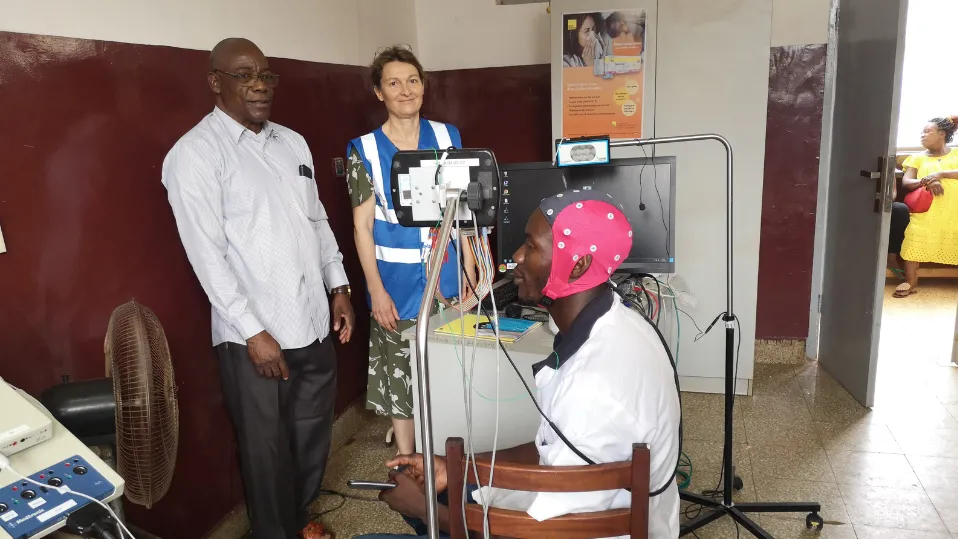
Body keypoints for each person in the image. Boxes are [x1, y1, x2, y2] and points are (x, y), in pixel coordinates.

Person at [359, 190, 682, 539]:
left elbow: (546, 534)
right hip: (578, 503)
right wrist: (457, 468)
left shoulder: (594, 387)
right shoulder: (621, 320)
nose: (516, 256)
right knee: (436, 489)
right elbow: (555, 445)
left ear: (578, 265)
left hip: (578, 529)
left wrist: (425, 510)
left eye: (531, 246)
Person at [162, 38, 354, 539]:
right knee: (265, 449)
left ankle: (297, 518)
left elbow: (317, 220)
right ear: (215, 82)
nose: (259, 86)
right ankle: (276, 532)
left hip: (312, 320)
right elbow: (208, 256)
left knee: (311, 435)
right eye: (245, 75)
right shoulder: (195, 156)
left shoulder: (292, 142)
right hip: (257, 336)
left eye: (266, 76)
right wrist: (251, 331)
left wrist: (338, 285)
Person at [347, 45, 476, 456]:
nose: (406, 90)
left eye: (413, 81)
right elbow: (362, 226)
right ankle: (406, 462)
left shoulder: (447, 136)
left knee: (451, 370)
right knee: (401, 375)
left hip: (448, 280)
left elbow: (464, 212)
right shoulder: (363, 150)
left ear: (424, 87)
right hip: (396, 287)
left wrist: (474, 274)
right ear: (378, 93)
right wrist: (375, 292)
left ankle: (447, 460)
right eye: (394, 83)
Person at [896, 116, 958, 298]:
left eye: (927, 131)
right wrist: (927, 181)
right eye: (921, 132)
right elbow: (907, 182)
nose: (922, 135)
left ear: (942, 134)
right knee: (913, 238)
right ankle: (911, 281)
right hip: (926, 213)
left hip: (953, 212)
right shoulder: (917, 158)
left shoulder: (955, 154)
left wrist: (940, 174)